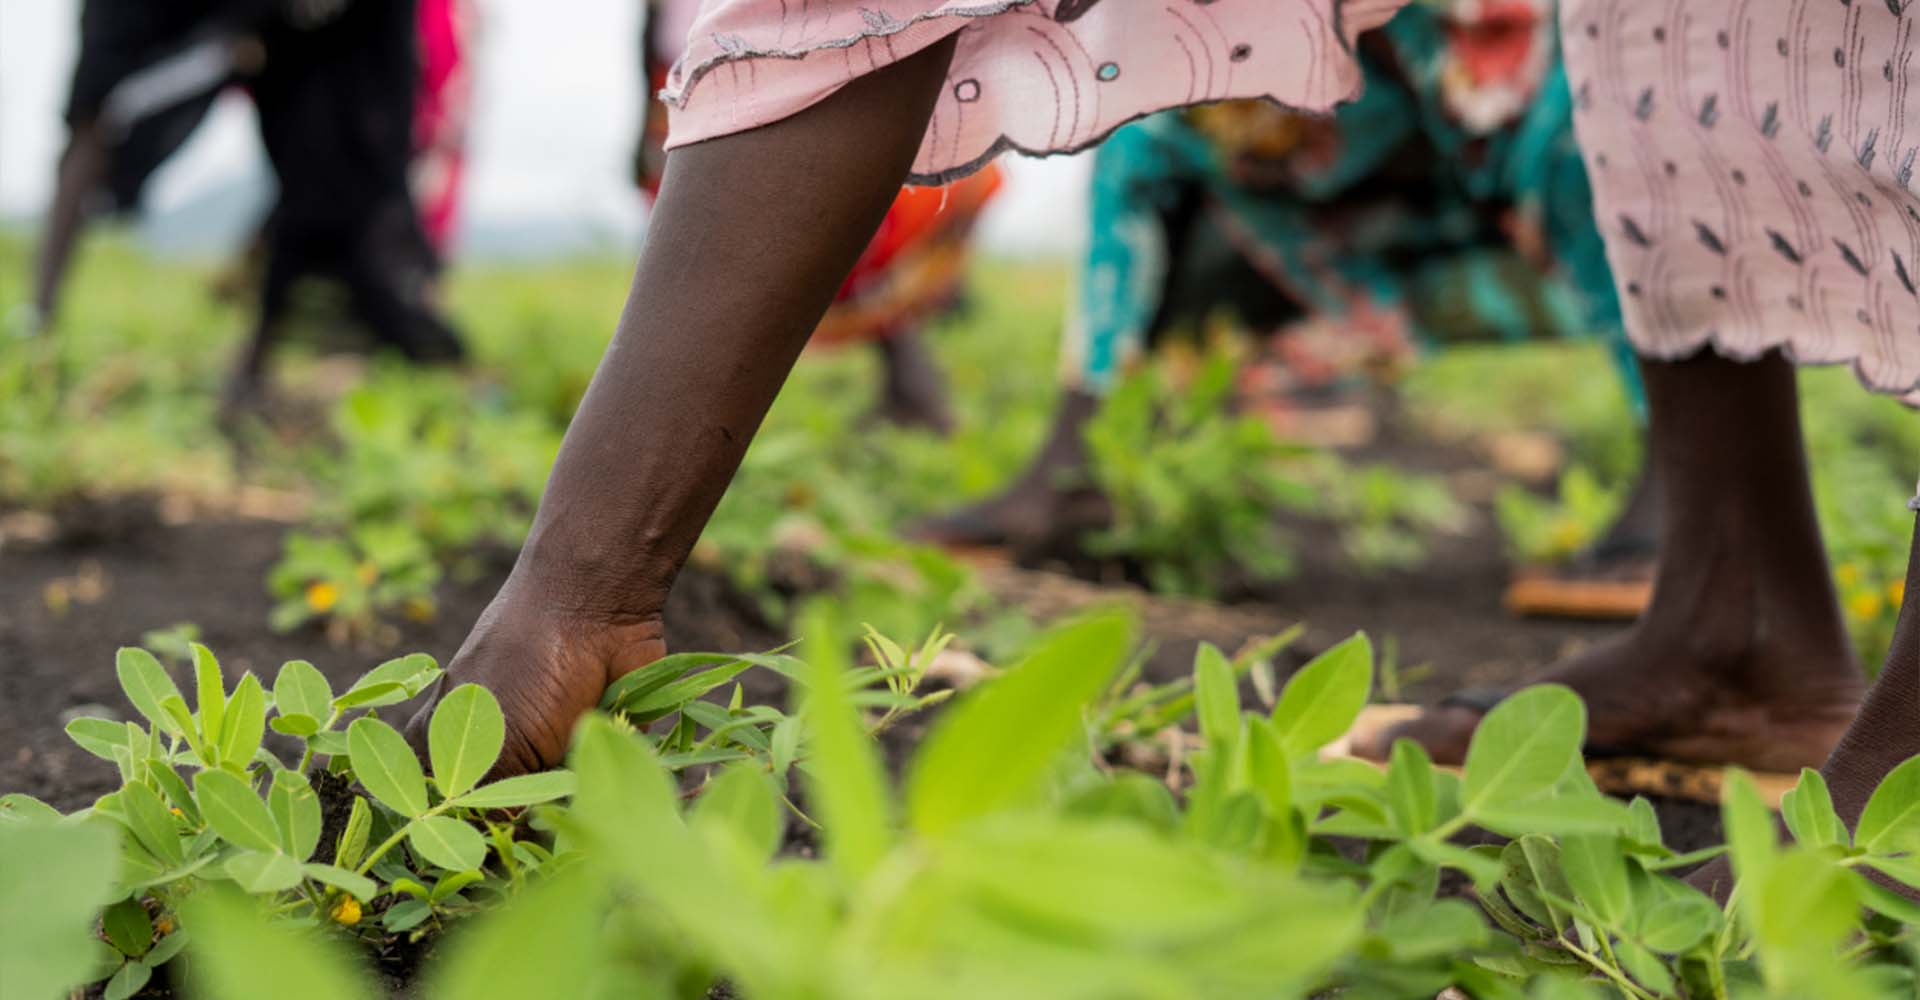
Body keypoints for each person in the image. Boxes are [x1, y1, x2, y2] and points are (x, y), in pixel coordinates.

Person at [408, 0, 1918, 846]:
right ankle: (1744, 617)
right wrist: (579, 584)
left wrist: (580, 582)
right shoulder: (1194, 166)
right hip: (1324, 242)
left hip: (1468, 212)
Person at [912, 4, 1662, 622]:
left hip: (1519, 211)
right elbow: (1146, 160)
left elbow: (1578, 146)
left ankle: (1686, 497)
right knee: (1147, 144)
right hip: (1338, 236)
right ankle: (1082, 473)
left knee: (1590, 136)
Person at [634, 0, 1005, 433]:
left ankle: (911, 395)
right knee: (719, 279)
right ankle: (681, 427)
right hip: (698, 103)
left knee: (829, 254)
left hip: (768, 86)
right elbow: (653, 42)